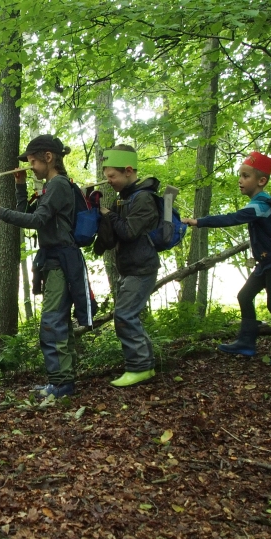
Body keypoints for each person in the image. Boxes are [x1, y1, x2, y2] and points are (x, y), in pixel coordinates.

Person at [0, 134, 94, 398]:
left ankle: (61, 383)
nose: (30, 166)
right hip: (53, 260)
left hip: (61, 261)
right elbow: (31, 215)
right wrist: (20, 188)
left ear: (48, 157)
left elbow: (37, 221)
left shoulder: (58, 185)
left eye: (33, 161)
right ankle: (61, 380)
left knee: (52, 321)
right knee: (57, 320)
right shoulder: (51, 186)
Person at [184, 152, 271, 367]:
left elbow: (233, 218)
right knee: (245, 295)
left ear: (261, 181)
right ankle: (246, 343)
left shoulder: (262, 204)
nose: (240, 180)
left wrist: (197, 221)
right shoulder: (258, 203)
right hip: (266, 263)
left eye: (246, 176)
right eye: (240, 175)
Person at [91, 145, 161, 387]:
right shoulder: (128, 197)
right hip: (131, 268)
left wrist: (109, 214)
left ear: (128, 170)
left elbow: (130, 232)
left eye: (112, 176)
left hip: (142, 268)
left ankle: (140, 367)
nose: (108, 181)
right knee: (128, 315)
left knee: (125, 315)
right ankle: (146, 366)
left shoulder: (143, 198)